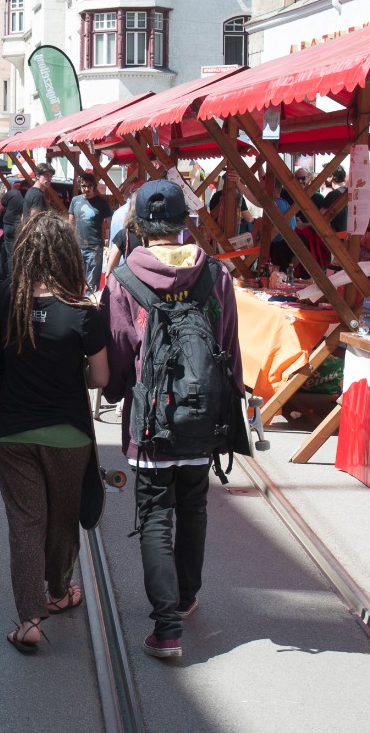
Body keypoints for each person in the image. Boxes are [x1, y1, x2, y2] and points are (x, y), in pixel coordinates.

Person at [99, 179, 247, 660]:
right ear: (186, 222)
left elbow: (120, 355)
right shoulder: (216, 276)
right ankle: (185, 598)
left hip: (151, 420)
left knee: (157, 516)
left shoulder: (123, 281)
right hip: (202, 418)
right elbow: (228, 347)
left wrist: (118, 394)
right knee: (195, 506)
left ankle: (166, 631)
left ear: (139, 227)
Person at [0, 211, 110, 652]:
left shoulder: (5, 298)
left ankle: (29, 619)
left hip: (12, 430)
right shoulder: (83, 312)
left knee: (24, 523)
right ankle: (59, 592)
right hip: (68, 433)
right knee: (60, 520)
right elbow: (100, 377)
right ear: (69, 256)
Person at [70, 172, 112, 290]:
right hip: (77, 247)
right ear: (80, 186)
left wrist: (111, 245)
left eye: (89, 186)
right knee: (75, 281)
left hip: (95, 248)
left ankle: (91, 306)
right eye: (83, 186)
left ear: (94, 186)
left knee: (92, 284)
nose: (86, 189)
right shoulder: (75, 201)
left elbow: (111, 224)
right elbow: (70, 223)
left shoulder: (102, 203)